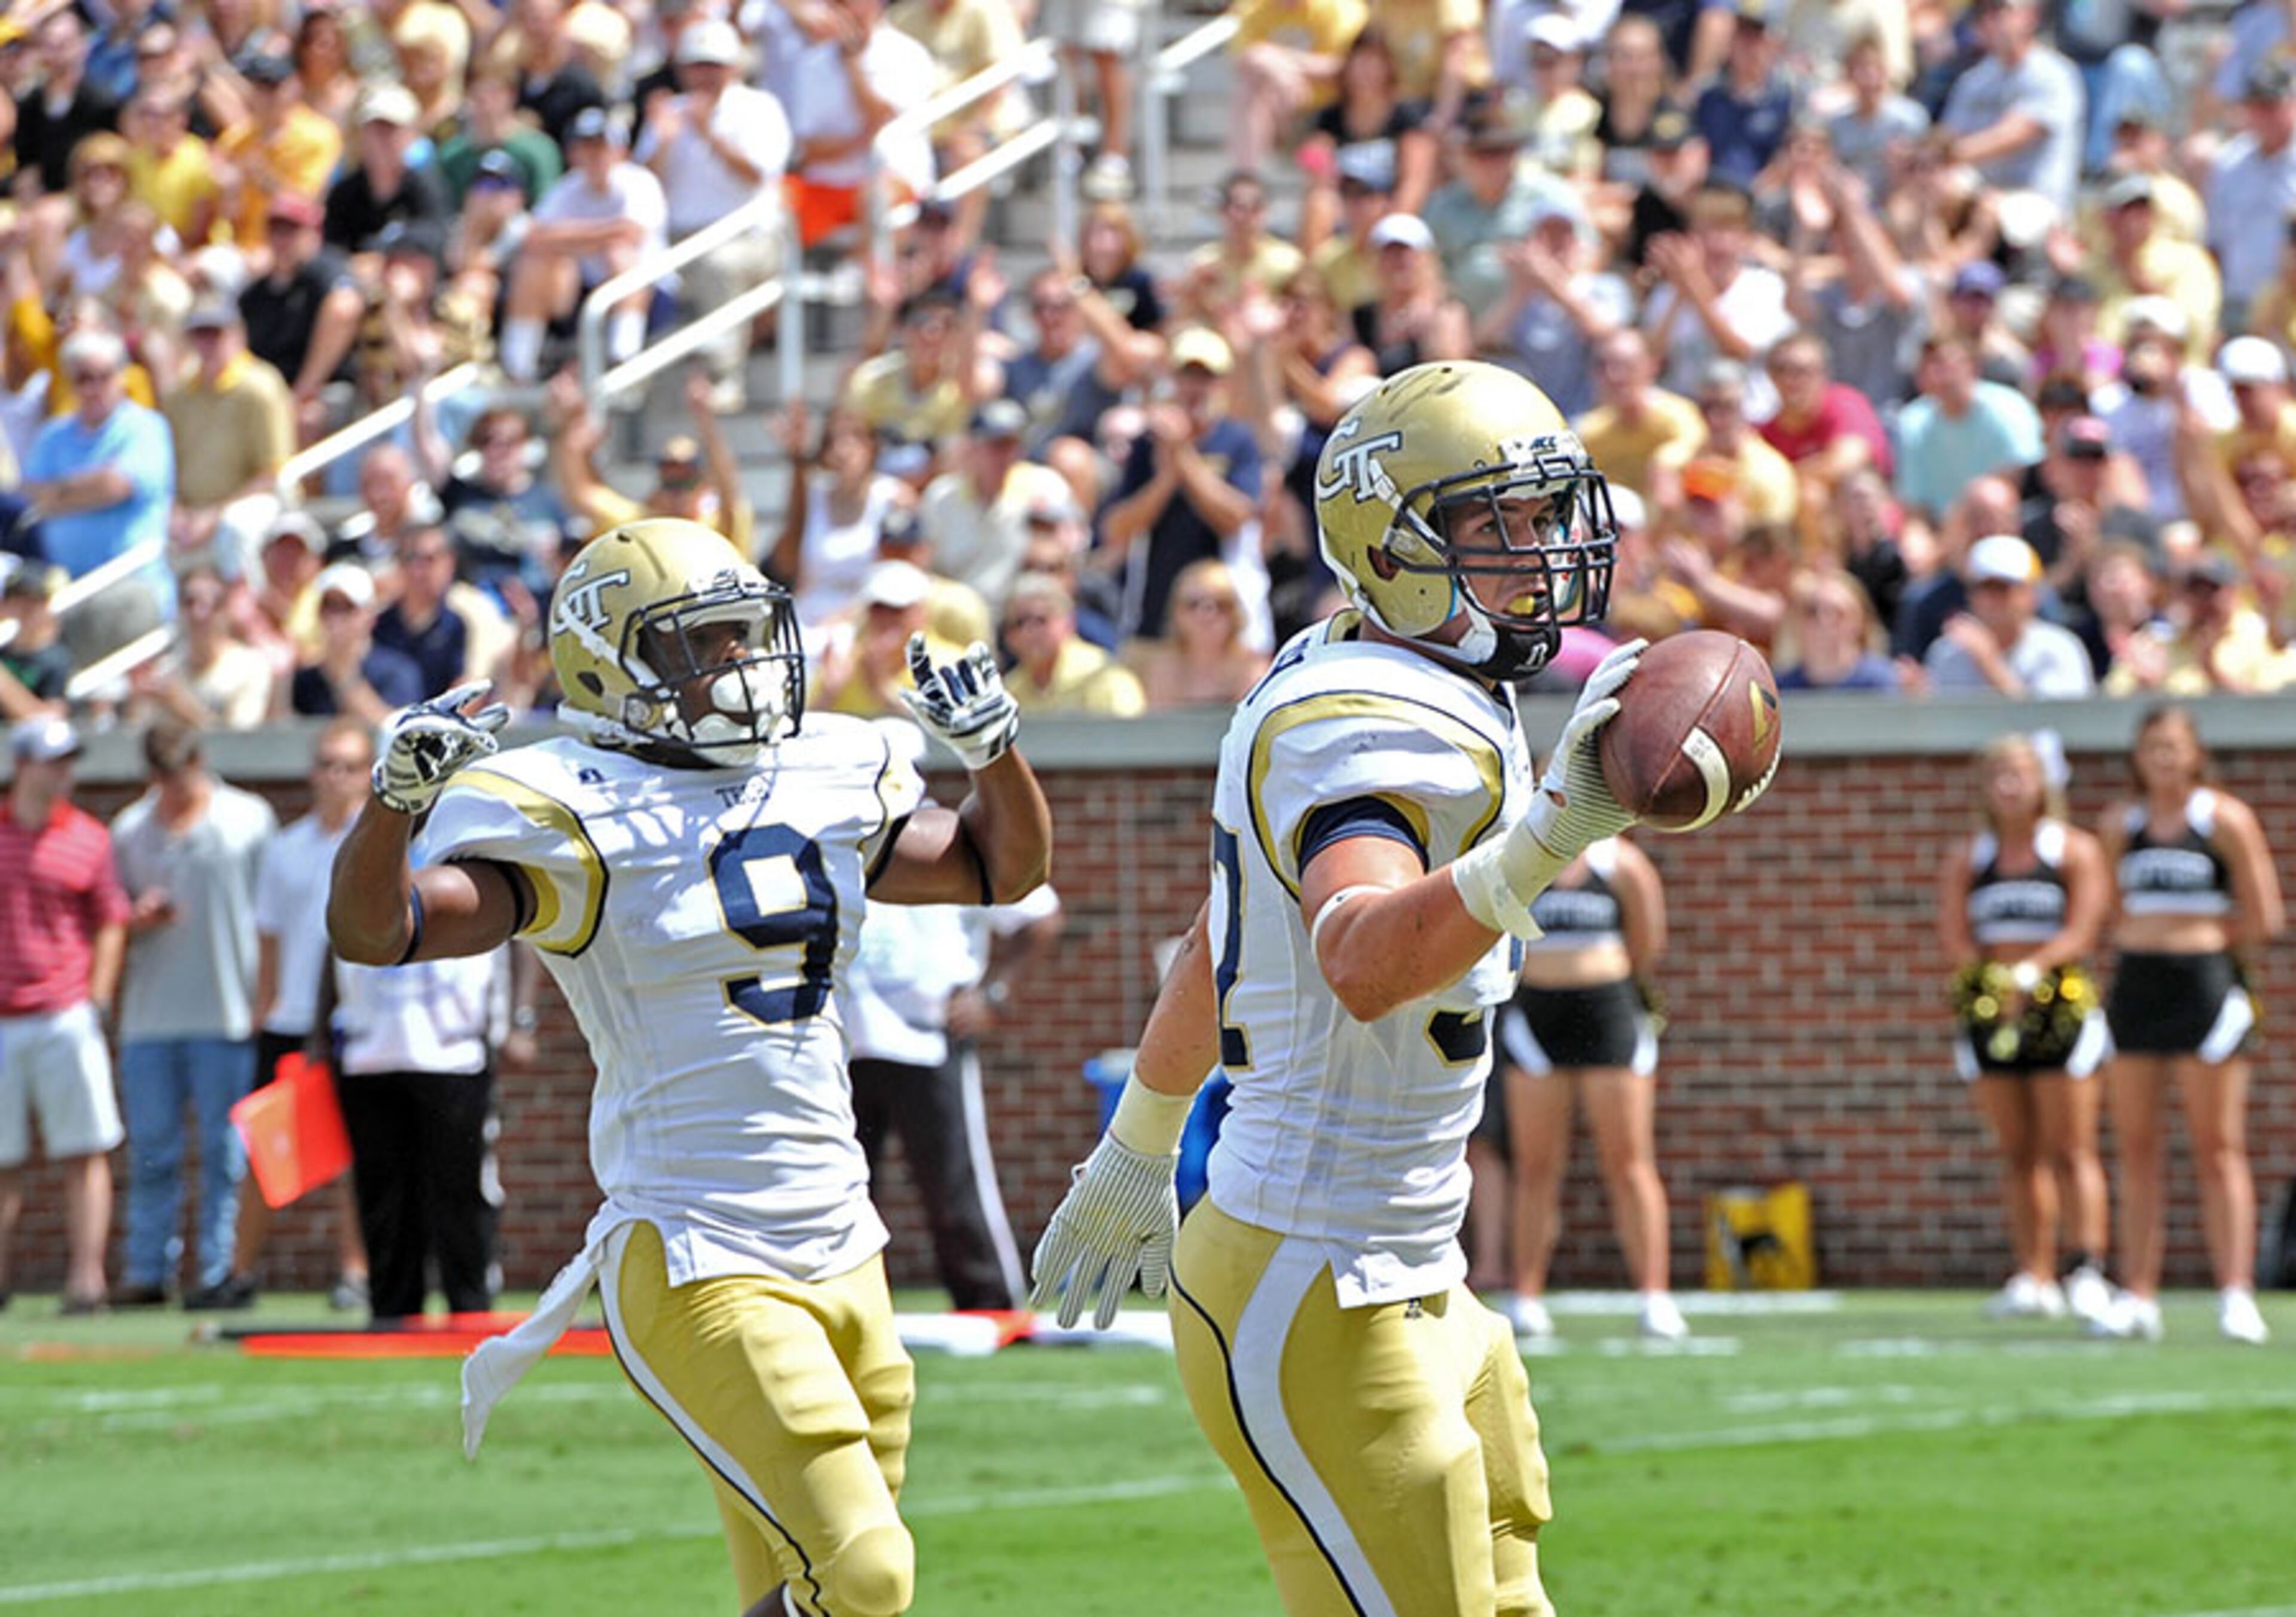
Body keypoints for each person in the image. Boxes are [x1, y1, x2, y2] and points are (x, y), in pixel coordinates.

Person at [327, 516, 1051, 1616]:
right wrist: (395, 805)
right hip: (695, 1246)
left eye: (742, 633)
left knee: (819, 1589)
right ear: (605, 666)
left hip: (845, 1237)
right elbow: (378, 931)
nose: (738, 661)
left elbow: (1002, 867)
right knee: (865, 1574)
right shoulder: (573, 809)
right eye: (699, 642)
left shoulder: (819, 770)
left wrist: (995, 753)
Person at [1032, 362, 1653, 1617]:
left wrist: (1139, 1142)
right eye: (1497, 523)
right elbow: (1361, 959)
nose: (1539, 553)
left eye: (1545, 515)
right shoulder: (1365, 717)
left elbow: (1223, 939)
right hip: (1313, 1274)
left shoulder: (1403, 668)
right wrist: (1550, 835)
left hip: (1408, 1261)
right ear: (1392, 544)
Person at [2096, 706, 2285, 1344]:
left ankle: (2235, 1293)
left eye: (2174, 746)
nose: (2163, 757)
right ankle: (2137, 1293)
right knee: (2136, 1145)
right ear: (2136, 755)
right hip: (2137, 988)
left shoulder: (2224, 818)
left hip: (2206, 986)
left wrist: (2205, 943)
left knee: (2218, 1144)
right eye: (2152, 745)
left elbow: (2264, 916)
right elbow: (2111, 908)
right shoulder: (2120, 824)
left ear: (2197, 753)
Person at [1935, 735, 2114, 1329]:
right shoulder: (1971, 856)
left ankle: (2086, 1268)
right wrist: (1991, 980)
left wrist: (2032, 971)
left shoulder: (2072, 850)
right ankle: (2033, 1274)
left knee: (2072, 1146)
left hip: (2059, 1009)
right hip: (1993, 1012)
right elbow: (1955, 934)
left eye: (2020, 772)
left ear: (2044, 782)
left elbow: (2084, 928)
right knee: (2018, 1150)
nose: (2009, 784)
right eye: (1998, 774)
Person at [1477, 832, 1678, 1344]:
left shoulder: (1622, 863)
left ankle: (1654, 1297)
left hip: (1608, 1017)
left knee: (1629, 1161)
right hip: (1538, 1018)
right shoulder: (1520, 857)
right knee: (1536, 1165)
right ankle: (1526, 1296)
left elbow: (1647, 941)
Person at [847, 852, 1064, 1312]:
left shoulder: (947, 841)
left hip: (928, 1037)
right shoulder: (832, 832)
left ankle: (991, 1306)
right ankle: (841, 1309)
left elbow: (1041, 916)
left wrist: (994, 995)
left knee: (954, 1184)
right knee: (839, 1188)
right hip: (840, 1040)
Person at [110, 719, 276, 1309]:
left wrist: (265, 999)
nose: (172, 791)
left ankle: (216, 1271)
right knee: (151, 1151)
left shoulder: (248, 819)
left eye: (180, 776)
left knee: (225, 1156)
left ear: (200, 762)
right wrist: (137, 919)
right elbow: (111, 921)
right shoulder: (129, 829)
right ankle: (146, 1271)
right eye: (161, 779)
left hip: (228, 1014)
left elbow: (271, 917)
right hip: (149, 1019)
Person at [221, 719, 374, 1310]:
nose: (336, 776)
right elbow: (269, 939)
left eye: (349, 766)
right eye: (328, 764)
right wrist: (263, 1013)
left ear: (368, 774)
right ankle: (238, 1274)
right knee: (267, 1150)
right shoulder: (284, 848)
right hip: (289, 1024)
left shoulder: (381, 843)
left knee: (354, 1154)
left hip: (356, 1024)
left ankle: (355, 1272)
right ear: (312, 771)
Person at [0, 717, 129, 1315]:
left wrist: (96, 997)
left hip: (64, 1012)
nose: (63, 772)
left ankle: (86, 1281)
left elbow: (111, 920)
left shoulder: (88, 837)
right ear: (22, 764)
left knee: (86, 1150)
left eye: (68, 761)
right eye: (53, 760)